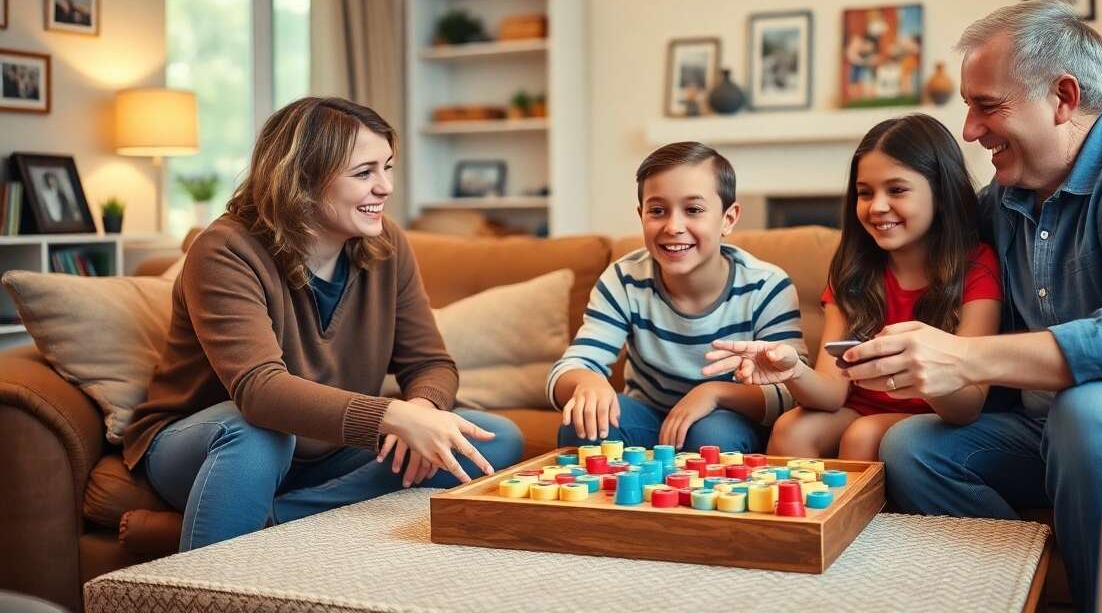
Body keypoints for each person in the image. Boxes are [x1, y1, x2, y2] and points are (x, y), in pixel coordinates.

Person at [837, 0, 1102, 610]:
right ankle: (1031, 590)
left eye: (987, 106)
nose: (969, 130)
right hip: (1050, 429)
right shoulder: (1001, 204)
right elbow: (919, 251)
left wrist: (969, 358)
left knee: (1087, 411)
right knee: (913, 449)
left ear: (1063, 98)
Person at [121, 97, 523, 551]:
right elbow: (260, 391)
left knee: (495, 439)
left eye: (388, 168)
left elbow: (429, 362)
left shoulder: (387, 243)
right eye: (364, 173)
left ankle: (276, 520)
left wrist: (424, 413)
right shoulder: (224, 250)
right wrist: (392, 417)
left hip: (325, 448)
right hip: (212, 445)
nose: (386, 187)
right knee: (257, 433)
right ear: (304, 180)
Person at [702, 114, 1001, 461]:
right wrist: (794, 371)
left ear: (941, 191)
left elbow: (967, 406)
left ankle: (873, 519)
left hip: (936, 418)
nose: (877, 206)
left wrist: (919, 372)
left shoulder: (976, 266)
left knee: (863, 435)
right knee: (790, 429)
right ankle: (803, 517)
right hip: (858, 409)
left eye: (897, 190)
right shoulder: (852, 269)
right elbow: (831, 392)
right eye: (864, 193)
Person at [548, 142, 806, 453]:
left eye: (693, 210)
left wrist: (715, 393)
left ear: (728, 218)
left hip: (727, 419)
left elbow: (791, 391)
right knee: (583, 423)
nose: (673, 227)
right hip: (648, 418)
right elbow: (572, 365)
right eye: (657, 211)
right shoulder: (624, 279)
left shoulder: (766, 285)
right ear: (641, 214)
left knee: (713, 435)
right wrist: (586, 382)